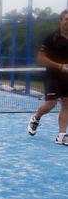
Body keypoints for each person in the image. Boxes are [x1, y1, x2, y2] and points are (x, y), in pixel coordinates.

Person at [27, 10, 68, 144]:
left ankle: (61, 135)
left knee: (66, 105)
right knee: (51, 103)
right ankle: (36, 117)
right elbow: (40, 58)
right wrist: (59, 66)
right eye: (66, 19)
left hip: (66, 77)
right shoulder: (52, 38)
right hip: (52, 75)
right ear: (61, 21)